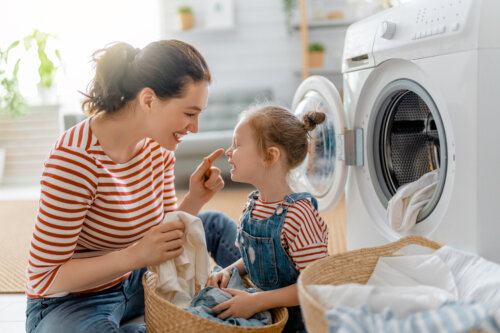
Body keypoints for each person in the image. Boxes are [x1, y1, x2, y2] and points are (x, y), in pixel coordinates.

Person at [25, 40, 239, 333]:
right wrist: (135, 255)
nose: (195, 128)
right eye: (190, 114)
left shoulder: (159, 147)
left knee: (211, 224)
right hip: (73, 301)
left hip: (136, 280)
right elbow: (45, 277)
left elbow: (161, 235)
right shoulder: (75, 159)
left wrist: (195, 199)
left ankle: (263, 296)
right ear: (148, 100)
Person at [203, 105, 330, 332]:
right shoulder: (252, 206)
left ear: (270, 156)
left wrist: (256, 302)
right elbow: (254, 258)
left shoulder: (300, 215)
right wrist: (229, 271)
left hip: (297, 321)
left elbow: (316, 284)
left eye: (237, 144)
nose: (229, 152)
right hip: (259, 307)